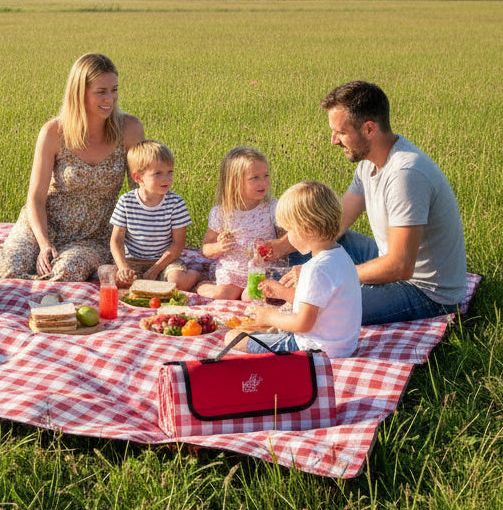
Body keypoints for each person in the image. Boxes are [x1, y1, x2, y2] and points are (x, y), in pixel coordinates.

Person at [309, 79, 467, 325]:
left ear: (369, 129)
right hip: (391, 258)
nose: (333, 141)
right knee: (313, 243)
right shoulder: (368, 162)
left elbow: (400, 267)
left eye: (341, 132)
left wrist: (330, 274)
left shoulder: (406, 174)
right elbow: (336, 223)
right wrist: (286, 246)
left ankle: (260, 344)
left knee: (321, 310)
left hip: (425, 291)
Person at [0, 53, 145, 282]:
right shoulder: (54, 132)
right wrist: (44, 245)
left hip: (95, 236)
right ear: (79, 92)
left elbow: (141, 193)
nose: (110, 99)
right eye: (101, 92)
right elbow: (35, 197)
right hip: (45, 226)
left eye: (114, 90)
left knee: (65, 272)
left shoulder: (129, 129)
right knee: (8, 268)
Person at [243, 181, 361, 358]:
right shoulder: (340, 256)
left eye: (289, 230)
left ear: (307, 229)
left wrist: (269, 316)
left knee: (235, 338)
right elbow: (317, 303)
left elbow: (302, 323)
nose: (287, 236)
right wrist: (283, 293)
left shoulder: (315, 269)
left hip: (312, 349)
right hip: (342, 346)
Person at [196, 147, 289, 301]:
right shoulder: (221, 212)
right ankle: (199, 285)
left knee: (252, 296)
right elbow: (206, 247)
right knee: (224, 295)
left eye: (266, 175)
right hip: (232, 272)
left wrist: (277, 247)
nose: (263, 182)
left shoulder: (272, 207)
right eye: (255, 178)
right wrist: (218, 248)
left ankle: (246, 294)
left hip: (262, 272)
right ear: (234, 183)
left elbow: (286, 239)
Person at [109, 140, 202, 293]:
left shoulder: (175, 202)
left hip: (164, 260)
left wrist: (155, 269)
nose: (166, 178)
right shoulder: (126, 201)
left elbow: (178, 243)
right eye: (158, 173)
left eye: (170, 172)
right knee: (115, 282)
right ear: (138, 177)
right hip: (133, 260)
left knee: (177, 283)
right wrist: (123, 267)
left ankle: (195, 275)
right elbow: (116, 240)